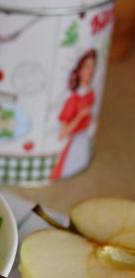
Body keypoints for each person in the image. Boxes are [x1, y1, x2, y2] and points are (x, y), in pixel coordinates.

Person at [50, 49, 97, 180]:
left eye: (93, 66)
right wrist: (80, 116)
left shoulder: (91, 94)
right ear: (79, 71)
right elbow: (62, 135)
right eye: (87, 67)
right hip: (74, 146)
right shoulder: (72, 100)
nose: (91, 70)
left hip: (84, 145)